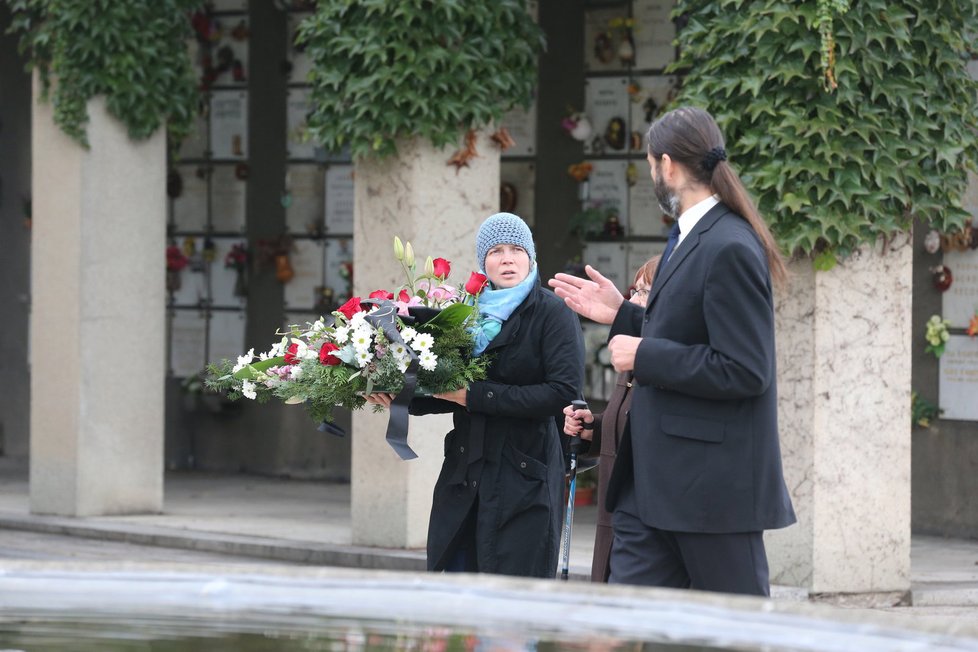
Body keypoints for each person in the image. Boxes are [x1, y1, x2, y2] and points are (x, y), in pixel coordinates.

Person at [549, 106, 795, 596]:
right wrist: (623, 313)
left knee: (735, 636)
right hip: (654, 488)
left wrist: (642, 355)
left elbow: (745, 368)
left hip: (711, 493)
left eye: (649, 166)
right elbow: (690, 330)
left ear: (668, 165)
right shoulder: (688, 236)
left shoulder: (729, 244)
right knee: (627, 627)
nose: (651, 178)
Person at [368, 212, 585, 577]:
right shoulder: (463, 312)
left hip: (524, 477)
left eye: (517, 249)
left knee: (511, 612)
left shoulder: (553, 312)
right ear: (482, 261)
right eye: (496, 250)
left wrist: (475, 396)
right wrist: (404, 397)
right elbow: (445, 385)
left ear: (530, 256)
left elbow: (562, 393)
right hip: (465, 473)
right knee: (453, 604)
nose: (507, 259)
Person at [562, 255, 659, 583]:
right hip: (617, 515)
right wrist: (593, 428)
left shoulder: (658, 360)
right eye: (634, 290)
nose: (633, 300)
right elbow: (627, 424)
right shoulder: (632, 358)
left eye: (643, 293)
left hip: (645, 518)